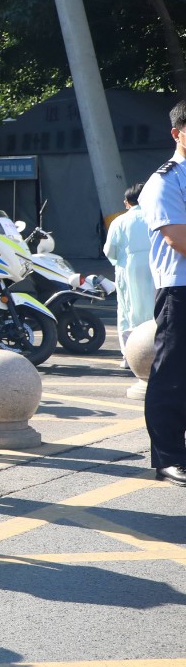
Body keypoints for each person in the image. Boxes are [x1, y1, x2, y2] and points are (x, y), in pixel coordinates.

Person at [137, 100, 186, 486]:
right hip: (179, 289)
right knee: (171, 376)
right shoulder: (166, 180)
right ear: (177, 133)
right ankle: (168, 458)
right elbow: (177, 238)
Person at [104, 186, 155, 365]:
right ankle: (158, 352)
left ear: (127, 203)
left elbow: (109, 251)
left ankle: (129, 357)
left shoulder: (119, 221)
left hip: (128, 271)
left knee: (127, 313)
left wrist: (119, 260)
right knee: (157, 309)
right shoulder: (155, 216)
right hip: (155, 269)